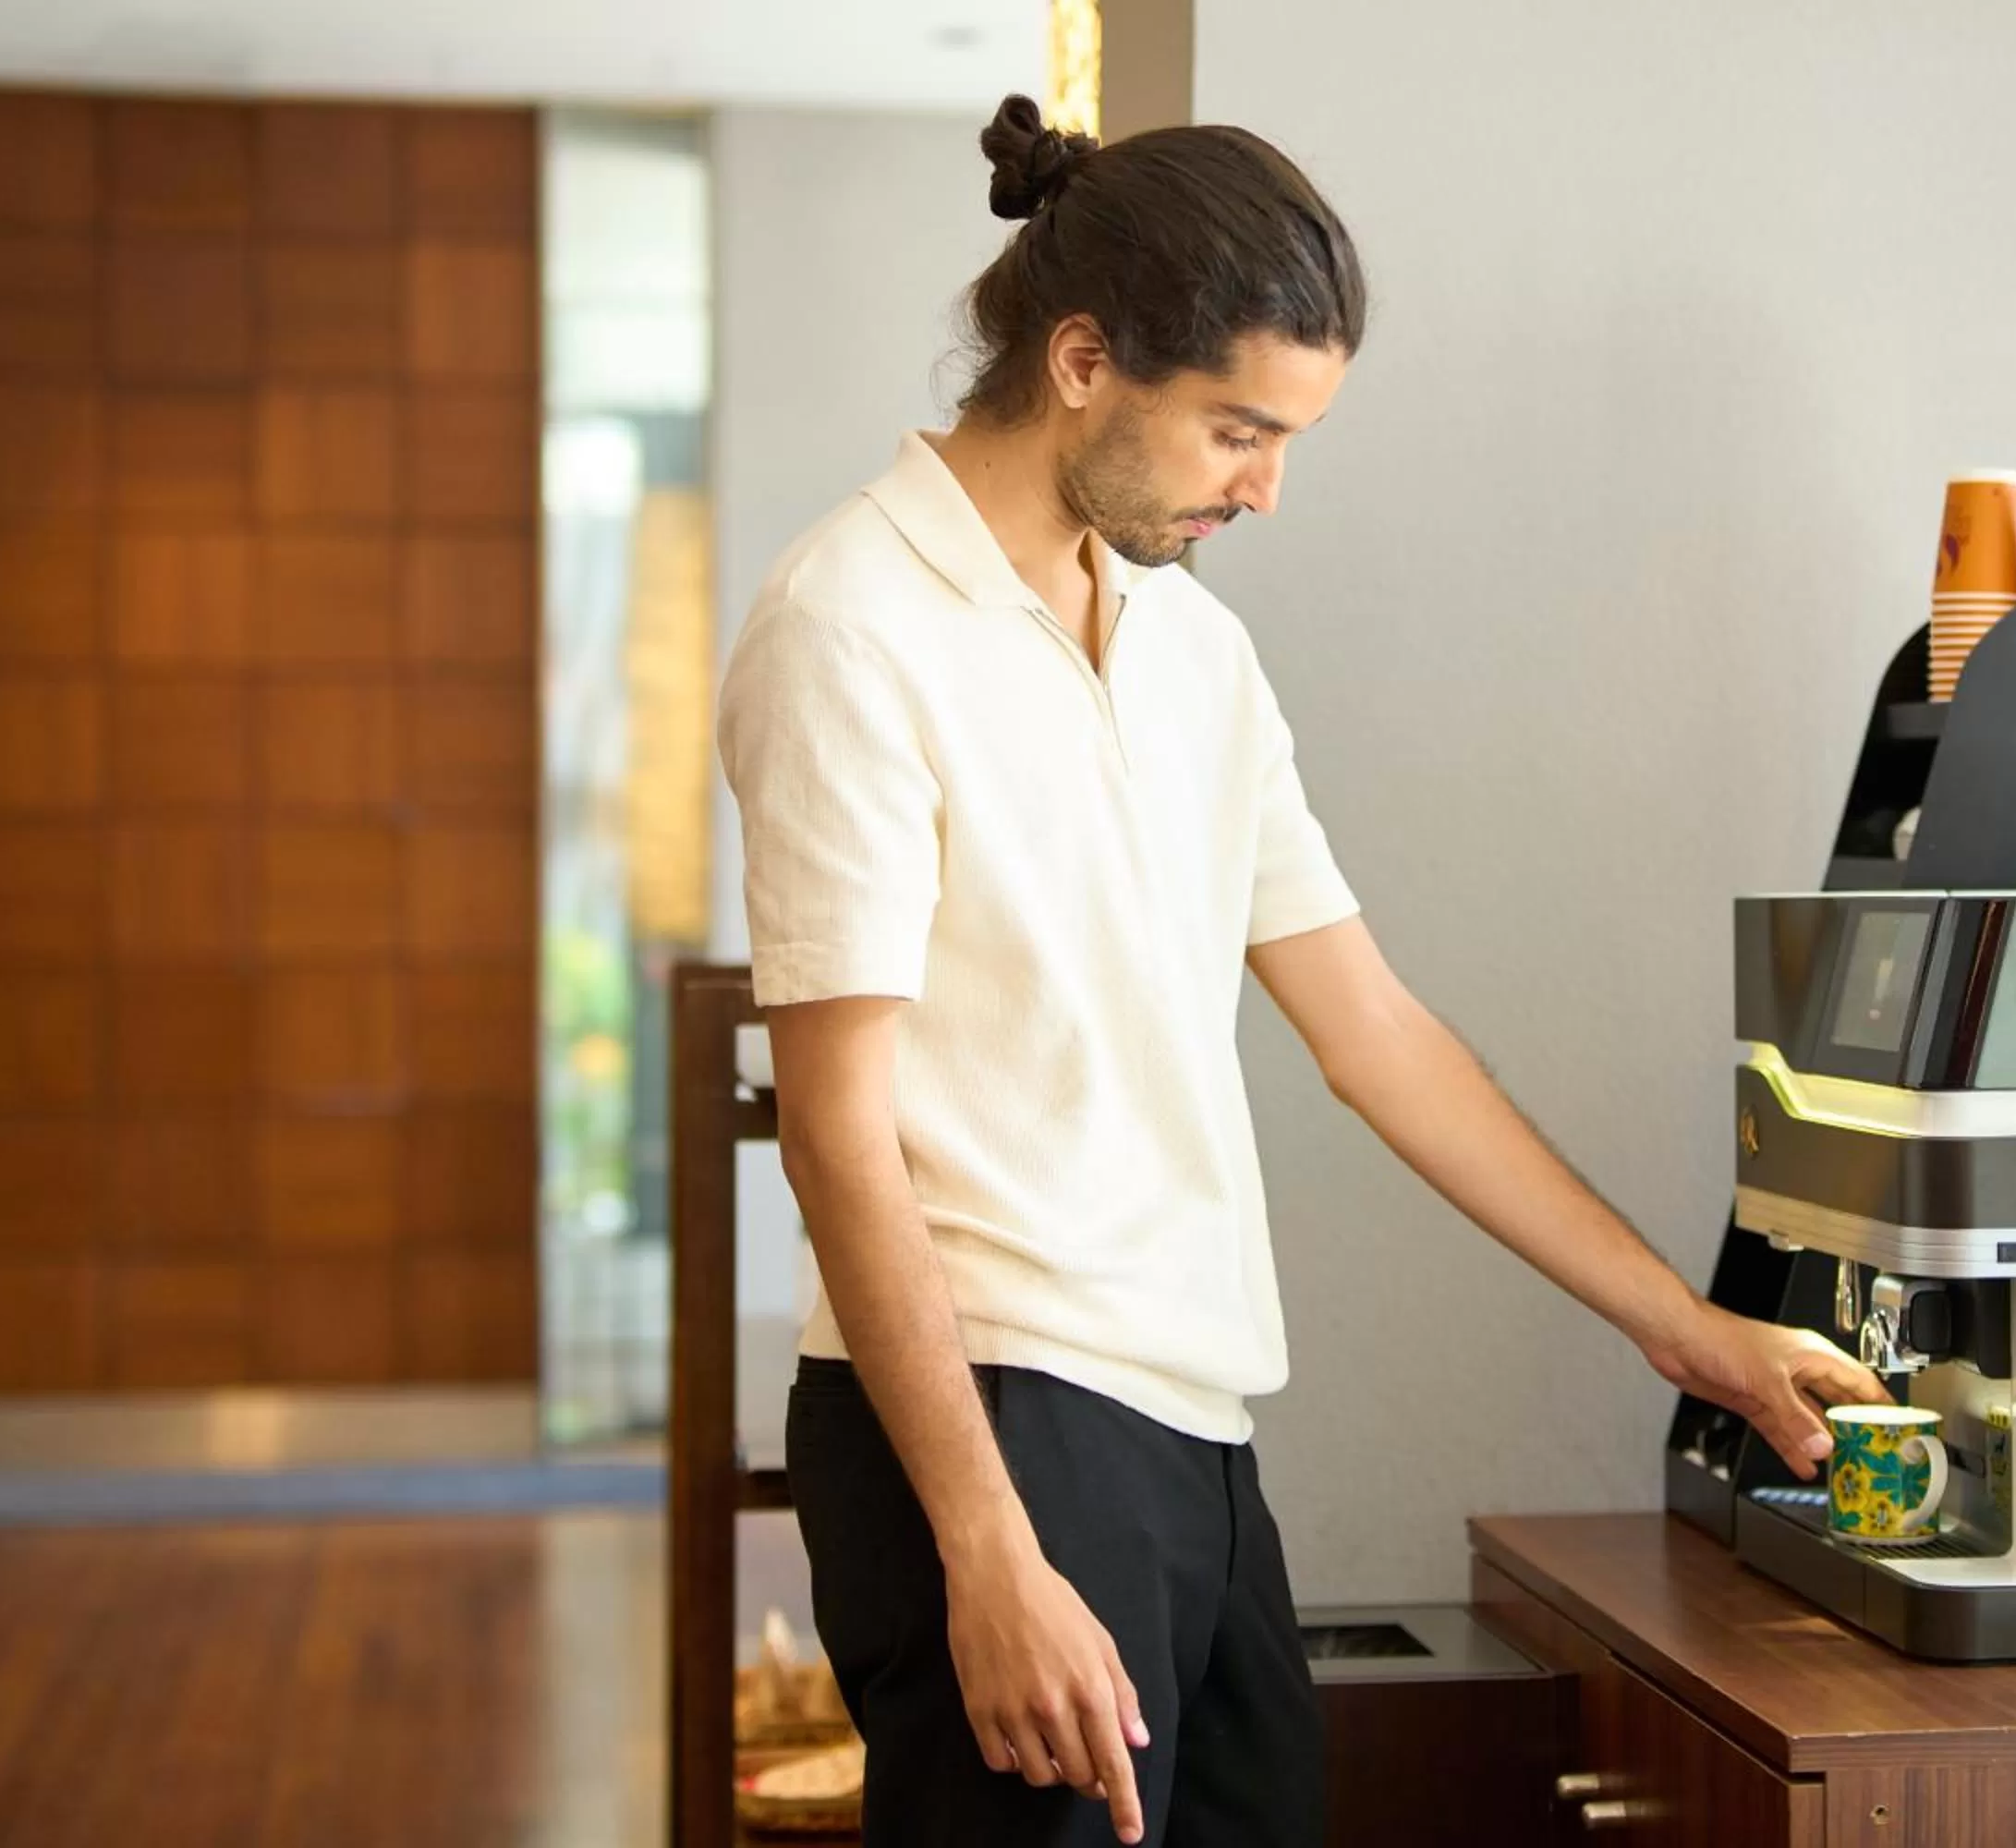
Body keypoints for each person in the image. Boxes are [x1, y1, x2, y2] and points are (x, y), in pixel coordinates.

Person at [716, 92, 1887, 1848]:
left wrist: (1696, 1336)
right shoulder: (849, 628)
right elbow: (836, 1132)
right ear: (1085, 361)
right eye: (1238, 430)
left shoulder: (1195, 650)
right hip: (988, 1423)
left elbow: (1380, 1036)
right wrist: (987, 1548)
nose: (1266, 487)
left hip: (1192, 1424)